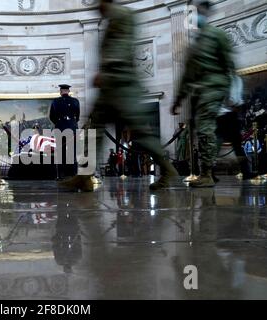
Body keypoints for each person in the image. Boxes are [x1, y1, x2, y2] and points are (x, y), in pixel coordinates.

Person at [61, 0, 178, 192]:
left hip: (119, 84)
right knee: (96, 129)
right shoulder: (115, 17)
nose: (94, 7)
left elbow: (120, 48)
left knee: (135, 132)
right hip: (115, 84)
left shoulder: (121, 16)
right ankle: (84, 176)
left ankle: (167, 169)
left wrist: (106, 70)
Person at [171, 0, 235, 188]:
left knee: (205, 128)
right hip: (201, 91)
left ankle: (206, 173)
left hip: (214, 88)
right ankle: (208, 170)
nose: (196, 16)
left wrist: (229, 89)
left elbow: (228, 63)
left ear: (206, 13)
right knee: (204, 129)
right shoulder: (195, 43)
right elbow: (187, 76)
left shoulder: (217, 35)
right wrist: (178, 100)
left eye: (199, 11)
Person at [49, 84, 80, 179]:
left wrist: (58, 123)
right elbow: (77, 116)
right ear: (68, 91)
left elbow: (51, 116)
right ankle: (72, 174)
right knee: (72, 151)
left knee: (60, 152)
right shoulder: (75, 101)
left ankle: (60, 175)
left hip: (60, 127)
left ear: (60, 91)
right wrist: (72, 123)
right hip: (72, 128)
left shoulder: (55, 101)